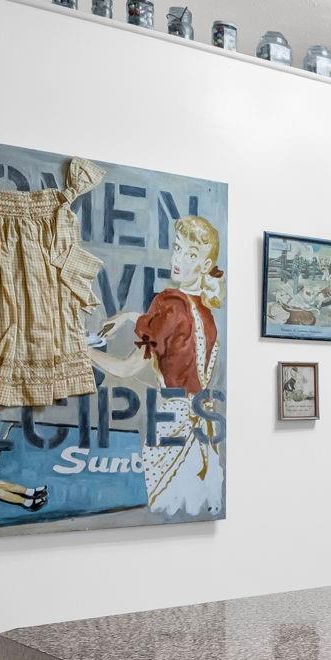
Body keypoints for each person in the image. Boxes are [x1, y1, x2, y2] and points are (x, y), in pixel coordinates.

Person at [88, 215, 225, 517]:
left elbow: (126, 368)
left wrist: (81, 350)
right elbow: (176, 335)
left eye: (191, 255)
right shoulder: (204, 311)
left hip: (171, 422)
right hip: (201, 425)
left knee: (165, 506)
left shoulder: (169, 304)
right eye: (178, 248)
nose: (178, 259)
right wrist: (129, 317)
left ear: (204, 265)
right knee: (193, 507)